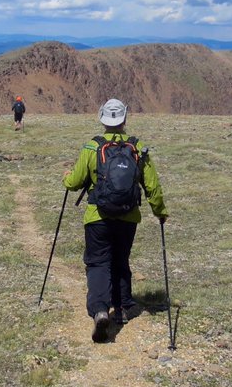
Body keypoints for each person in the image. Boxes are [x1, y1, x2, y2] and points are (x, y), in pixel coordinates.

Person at [62, 98, 168, 343]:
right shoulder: (138, 148)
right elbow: (152, 185)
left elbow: (75, 182)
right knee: (121, 259)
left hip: (97, 216)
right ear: (125, 118)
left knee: (98, 262)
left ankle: (100, 310)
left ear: (102, 118)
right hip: (128, 216)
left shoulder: (92, 147)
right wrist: (160, 211)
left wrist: (66, 178)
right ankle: (121, 309)